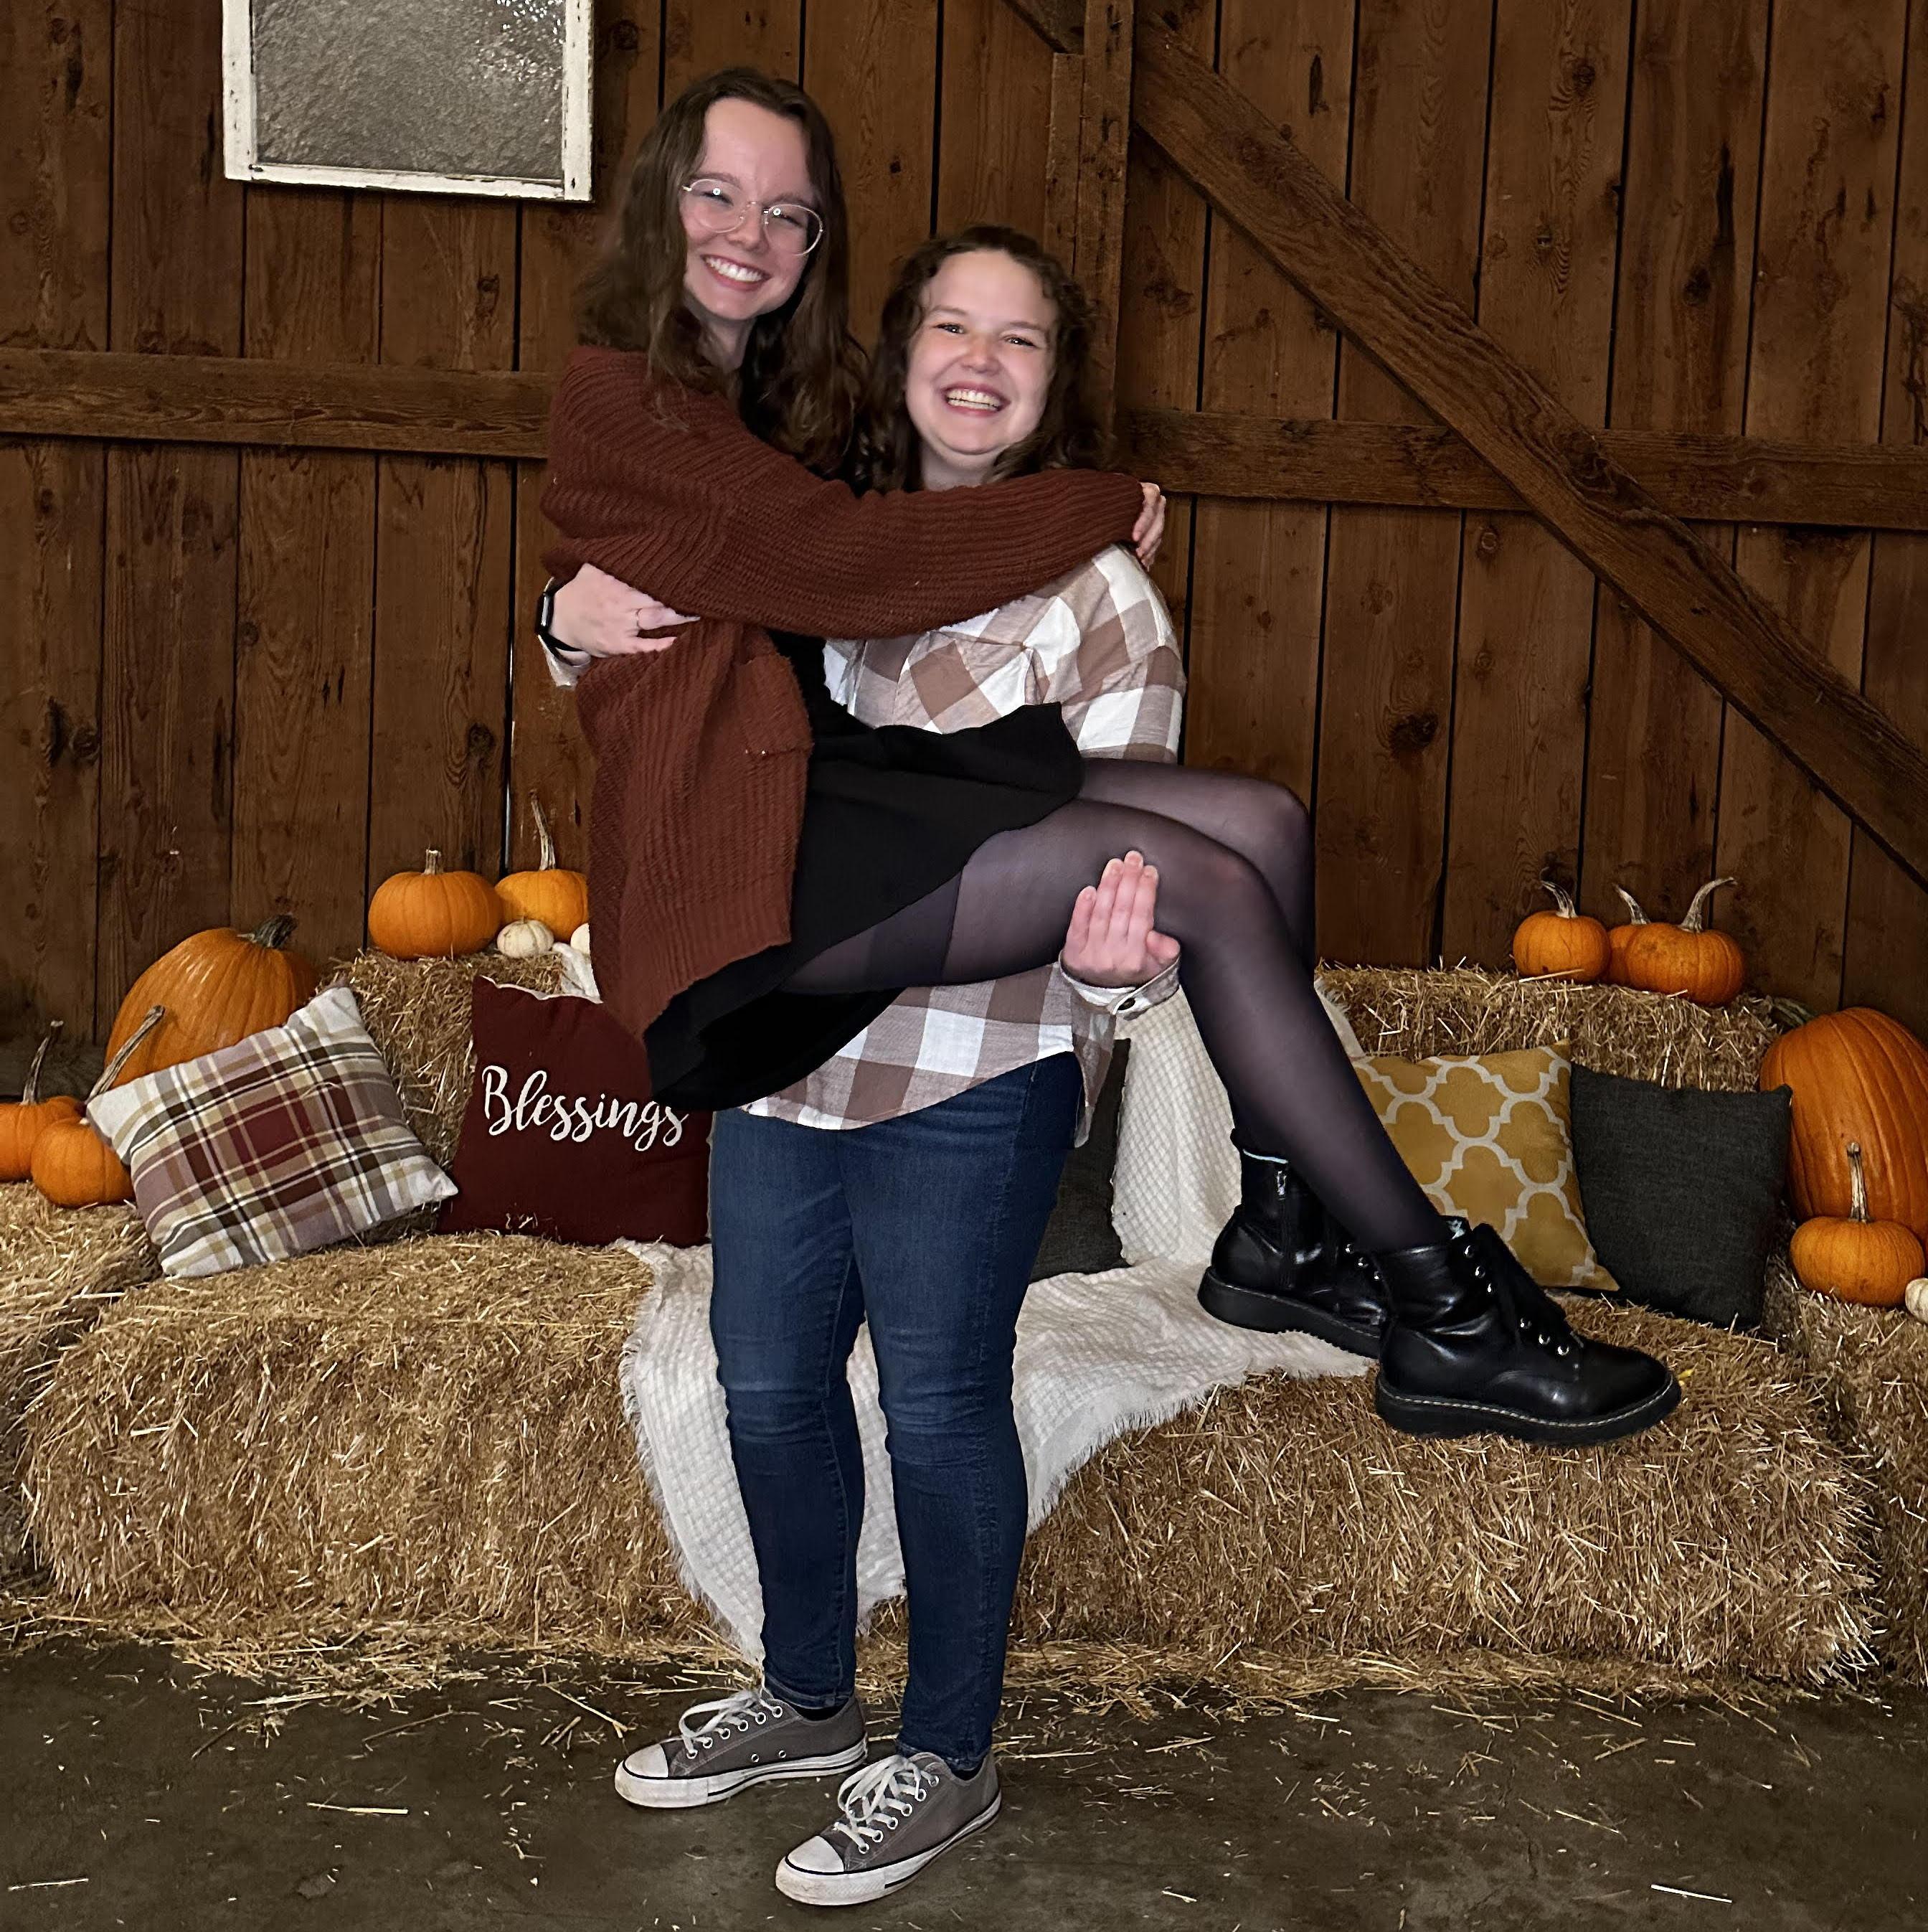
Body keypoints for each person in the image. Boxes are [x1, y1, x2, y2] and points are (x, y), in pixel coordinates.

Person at [539, 62, 1678, 1904]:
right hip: (791, 1006)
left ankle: (952, 1735)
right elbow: (772, 585)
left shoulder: (1076, 586)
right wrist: (556, 615)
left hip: (965, 1051)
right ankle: (814, 1691)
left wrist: (1119, 977)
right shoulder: (761, 461)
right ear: (895, 344)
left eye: (1025, 341)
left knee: (1233, 855)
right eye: (953, 326)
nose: (981, 363)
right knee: (765, 1388)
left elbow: (1114, 877)